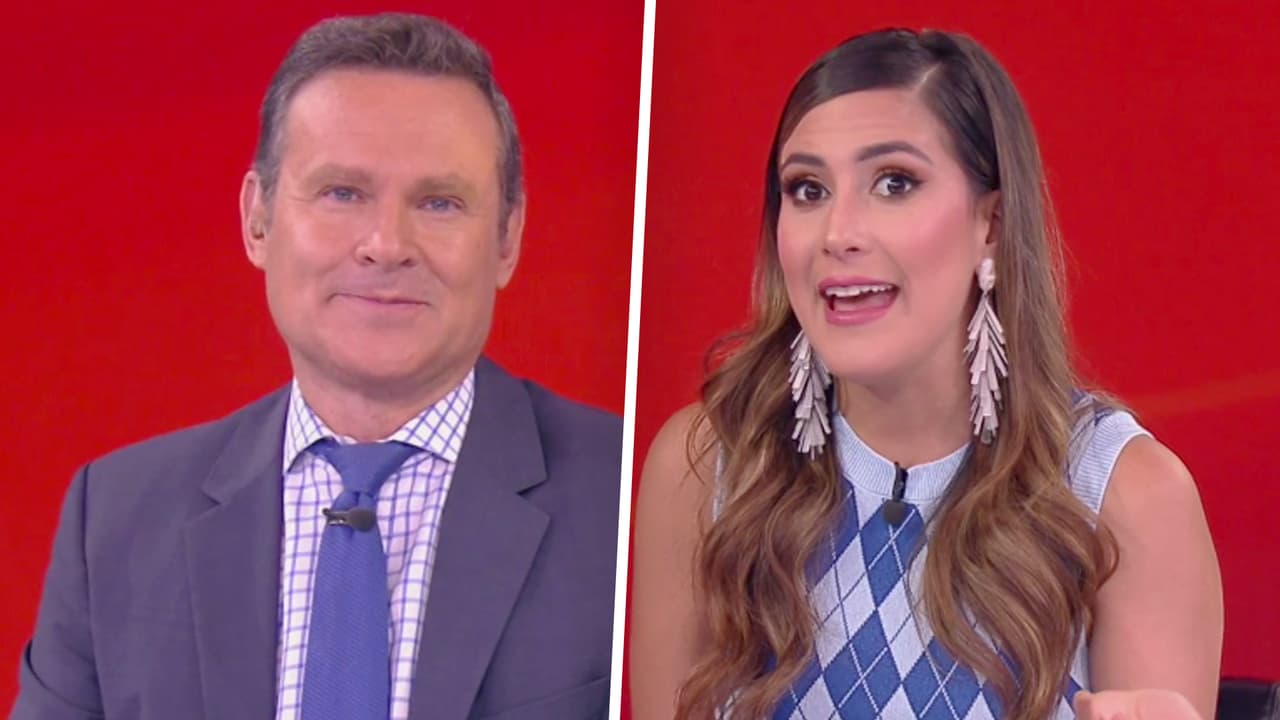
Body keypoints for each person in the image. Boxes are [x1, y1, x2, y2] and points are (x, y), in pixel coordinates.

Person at [15, 13, 619, 720]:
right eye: (342, 193)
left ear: (507, 238)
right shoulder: (114, 519)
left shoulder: (626, 499)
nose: (387, 244)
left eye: (439, 202)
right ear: (258, 220)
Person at [630, 28, 1221, 720]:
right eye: (808, 189)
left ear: (991, 224)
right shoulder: (707, 467)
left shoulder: (1125, 495)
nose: (837, 234)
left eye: (895, 183)